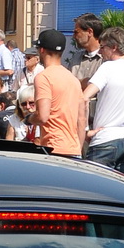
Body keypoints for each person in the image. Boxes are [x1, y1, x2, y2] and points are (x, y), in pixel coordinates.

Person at [82, 26, 124, 174]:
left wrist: (86, 130)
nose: (100, 52)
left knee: (94, 191)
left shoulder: (107, 68)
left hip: (105, 139)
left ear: (114, 47)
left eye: (103, 48)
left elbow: (84, 98)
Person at [32, 28, 87, 158]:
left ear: (42, 50)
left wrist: (28, 119)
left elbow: (43, 116)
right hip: (73, 150)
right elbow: (81, 119)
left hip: (53, 149)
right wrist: (77, 149)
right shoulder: (73, 79)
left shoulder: (43, 77)